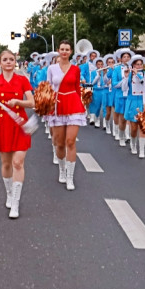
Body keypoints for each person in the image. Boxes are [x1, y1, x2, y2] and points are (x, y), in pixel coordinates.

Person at [0, 50, 35, 218]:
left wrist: (18, 102)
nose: (8, 62)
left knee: (18, 163)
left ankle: (15, 202)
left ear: (15, 62)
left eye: (11, 59)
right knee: (6, 164)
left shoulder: (22, 80)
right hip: (3, 125)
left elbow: (32, 102)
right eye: (5, 59)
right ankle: (9, 192)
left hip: (19, 125)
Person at [47, 40, 87, 190]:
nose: (64, 52)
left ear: (70, 52)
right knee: (59, 143)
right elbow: (48, 87)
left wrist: (82, 106)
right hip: (57, 105)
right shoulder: (51, 68)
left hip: (73, 103)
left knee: (70, 141)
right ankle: (62, 170)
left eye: (67, 49)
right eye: (62, 49)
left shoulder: (75, 69)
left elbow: (77, 88)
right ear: (58, 50)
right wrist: (47, 105)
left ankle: (70, 177)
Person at [119, 55, 145, 157]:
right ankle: (133, 144)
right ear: (133, 65)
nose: (139, 66)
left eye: (140, 64)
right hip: (132, 102)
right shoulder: (129, 74)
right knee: (134, 127)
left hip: (142, 101)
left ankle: (142, 150)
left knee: (143, 127)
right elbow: (124, 88)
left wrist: (139, 75)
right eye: (137, 64)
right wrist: (126, 77)